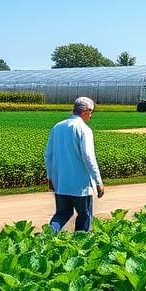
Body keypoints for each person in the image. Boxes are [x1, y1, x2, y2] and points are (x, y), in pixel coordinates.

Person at [44, 96, 105, 232]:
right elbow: (88, 157)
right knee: (84, 215)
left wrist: (50, 177)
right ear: (85, 112)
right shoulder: (84, 129)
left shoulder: (57, 127)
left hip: (61, 182)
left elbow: (48, 155)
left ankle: (48, 235)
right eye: (91, 112)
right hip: (80, 185)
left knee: (62, 214)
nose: (91, 115)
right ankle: (80, 244)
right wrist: (98, 181)